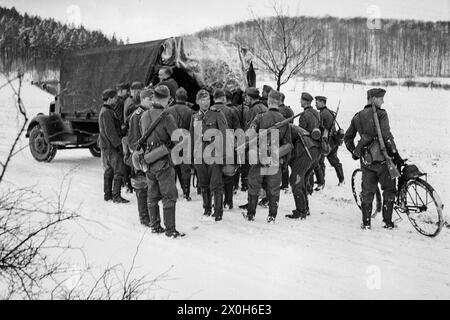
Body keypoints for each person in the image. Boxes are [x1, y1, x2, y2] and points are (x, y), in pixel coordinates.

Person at [344, 88, 403, 230]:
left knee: (367, 192)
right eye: (380, 98)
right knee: (389, 190)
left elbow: (347, 138)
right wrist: (396, 155)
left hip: (367, 161)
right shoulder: (382, 114)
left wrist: (354, 151)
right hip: (383, 161)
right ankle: (387, 223)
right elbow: (387, 136)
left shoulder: (357, 117)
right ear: (372, 99)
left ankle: (366, 223)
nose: (383, 101)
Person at [140, 85, 184, 237]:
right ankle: (170, 230)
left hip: (149, 159)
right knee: (169, 196)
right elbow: (177, 138)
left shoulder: (144, 115)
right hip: (163, 161)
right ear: (166, 98)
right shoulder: (167, 116)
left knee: (152, 195)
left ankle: (155, 225)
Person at [243, 90, 292, 223]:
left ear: (269, 101)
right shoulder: (284, 120)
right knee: (273, 188)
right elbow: (288, 145)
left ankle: (251, 214)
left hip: (259, 157)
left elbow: (249, 135)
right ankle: (272, 216)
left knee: (254, 185)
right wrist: (282, 161)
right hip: (275, 160)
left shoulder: (260, 117)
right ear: (279, 102)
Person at [190, 89, 228, 221]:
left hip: (214, 154)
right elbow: (192, 138)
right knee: (203, 184)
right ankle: (207, 209)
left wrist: (224, 156)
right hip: (199, 155)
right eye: (202, 100)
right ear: (197, 101)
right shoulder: (194, 117)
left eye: (207, 99)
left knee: (216, 184)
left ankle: (218, 211)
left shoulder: (217, 114)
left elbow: (224, 135)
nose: (205, 102)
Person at [123, 88, 153, 226]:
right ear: (143, 99)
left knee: (149, 187)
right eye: (149, 99)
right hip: (140, 156)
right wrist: (140, 158)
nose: (152, 101)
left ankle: (149, 215)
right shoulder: (137, 115)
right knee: (141, 187)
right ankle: (144, 217)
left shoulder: (148, 113)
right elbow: (135, 139)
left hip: (149, 154)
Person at [98, 88, 129, 204]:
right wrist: (118, 145)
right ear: (110, 98)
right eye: (114, 98)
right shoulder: (107, 112)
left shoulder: (105, 110)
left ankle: (108, 195)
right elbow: (110, 131)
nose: (116, 100)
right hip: (111, 145)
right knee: (119, 169)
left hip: (106, 145)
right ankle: (116, 196)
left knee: (109, 170)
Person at [211, 88, 241, 210]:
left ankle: (216, 202)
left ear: (213, 98)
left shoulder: (208, 111)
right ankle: (228, 201)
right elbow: (238, 130)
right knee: (229, 175)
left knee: (215, 175)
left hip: (212, 147)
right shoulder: (231, 111)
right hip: (228, 146)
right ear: (224, 98)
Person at [285, 123, 321, 220]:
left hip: (306, 151)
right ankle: (305, 208)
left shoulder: (283, 128)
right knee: (303, 180)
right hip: (315, 151)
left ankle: (301, 211)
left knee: (295, 181)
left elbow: (287, 146)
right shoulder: (291, 126)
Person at [313, 96, 345, 189]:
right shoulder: (328, 112)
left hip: (327, 141)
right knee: (334, 161)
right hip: (333, 141)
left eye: (317, 102)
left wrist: (324, 142)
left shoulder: (323, 113)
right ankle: (341, 179)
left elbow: (325, 129)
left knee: (320, 161)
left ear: (323, 102)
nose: (316, 104)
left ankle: (321, 182)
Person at [168, 87, 194, 201]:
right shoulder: (190, 111)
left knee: (172, 168)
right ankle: (186, 193)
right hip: (186, 142)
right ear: (186, 98)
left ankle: (173, 192)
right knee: (185, 169)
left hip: (172, 143)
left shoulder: (169, 110)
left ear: (175, 98)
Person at [298, 92, 321, 197]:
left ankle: (307, 190)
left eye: (301, 100)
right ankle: (310, 188)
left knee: (304, 172)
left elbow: (301, 132)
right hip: (317, 146)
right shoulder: (317, 113)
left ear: (304, 101)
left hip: (307, 146)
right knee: (310, 169)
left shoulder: (304, 115)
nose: (300, 102)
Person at [278, 92, 294, 191]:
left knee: (281, 162)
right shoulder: (289, 110)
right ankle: (285, 184)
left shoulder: (279, 111)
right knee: (286, 162)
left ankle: (283, 184)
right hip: (289, 138)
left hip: (281, 138)